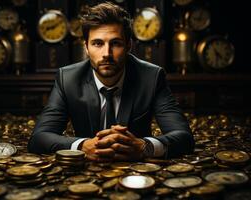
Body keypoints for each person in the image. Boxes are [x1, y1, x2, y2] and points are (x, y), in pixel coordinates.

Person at [28, 2, 194, 161]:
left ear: (129, 46)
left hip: (137, 170)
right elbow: (39, 138)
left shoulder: (152, 77)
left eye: (115, 43)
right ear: (86, 47)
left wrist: (144, 147)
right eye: (97, 43)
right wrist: (82, 146)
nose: (106, 53)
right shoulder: (68, 79)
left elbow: (183, 137)